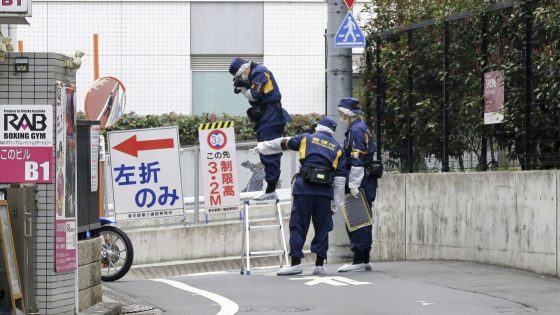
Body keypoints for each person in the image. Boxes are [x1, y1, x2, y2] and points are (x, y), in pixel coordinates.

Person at [253, 117, 346, 276]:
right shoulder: (337, 148)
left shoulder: (306, 139)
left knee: (298, 226)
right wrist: (336, 202)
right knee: (322, 228)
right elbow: (339, 179)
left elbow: (283, 143)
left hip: (304, 190)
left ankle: (295, 264)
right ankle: (319, 265)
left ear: (318, 127)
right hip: (324, 194)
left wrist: (262, 147)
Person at [230, 58, 291, 201]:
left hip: (271, 116)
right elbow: (253, 96)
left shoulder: (260, 71)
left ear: (244, 68)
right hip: (267, 116)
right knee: (265, 151)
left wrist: (245, 86)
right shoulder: (254, 73)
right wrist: (245, 87)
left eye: (240, 76)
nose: (241, 78)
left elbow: (254, 95)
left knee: (270, 151)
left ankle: (271, 189)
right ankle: (270, 188)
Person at [336, 97, 378, 272]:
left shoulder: (357, 130)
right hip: (365, 180)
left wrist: (353, 184)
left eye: (341, 112)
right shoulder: (360, 127)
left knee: (357, 219)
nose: (340, 115)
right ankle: (363, 259)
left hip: (359, 180)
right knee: (363, 219)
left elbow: (357, 158)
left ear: (347, 113)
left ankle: (359, 260)